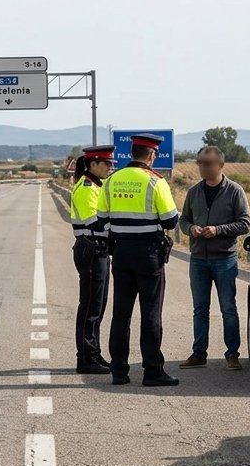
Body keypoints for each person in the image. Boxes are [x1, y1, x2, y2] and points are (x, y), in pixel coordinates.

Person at [97, 133, 180, 386]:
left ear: (132, 154)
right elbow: (170, 220)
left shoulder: (112, 180)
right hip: (148, 256)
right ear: (152, 155)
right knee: (150, 313)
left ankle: (119, 371)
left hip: (121, 253)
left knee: (121, 314)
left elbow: (101, 218)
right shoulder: (156, 182)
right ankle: (152, 371)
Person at [177, 145, 250, 371]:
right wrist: (192, 229)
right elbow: (183, 220)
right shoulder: (194, 192)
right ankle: (199, 354)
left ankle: (232, 355)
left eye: (207, 163)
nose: (202, 167)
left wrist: (218, 230)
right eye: (199, 162)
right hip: (199, 258)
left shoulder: (235, 191)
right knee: (200, 309)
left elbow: (245, 223)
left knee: (228, 308)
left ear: (220, 165)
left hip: (224, 259)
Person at [70, 145, 115, 375]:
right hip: (90, 249)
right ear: (93, 164)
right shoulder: (87, 188)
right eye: (106, 163)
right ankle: (86, 358)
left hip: (98, 251)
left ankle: (94, 353)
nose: (110, 167)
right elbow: (95, 222)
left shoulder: (97, 185)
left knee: (98, 305)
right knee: (90, 307)